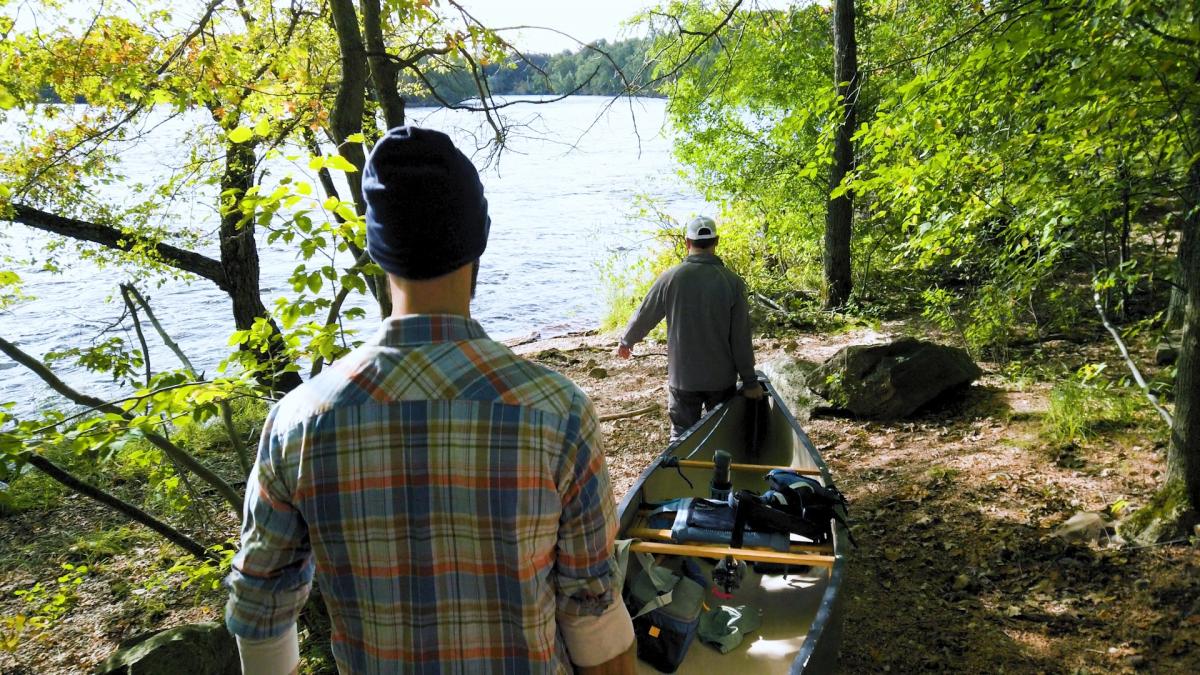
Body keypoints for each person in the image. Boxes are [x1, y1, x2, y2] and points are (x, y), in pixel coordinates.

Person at [225, 126, 635, 674]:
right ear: (478, 239)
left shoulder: (299, 421)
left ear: (376, 250)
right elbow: (592, 616)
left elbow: (260, 610)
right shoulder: (556, 413)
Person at [616, 216, 763, 440]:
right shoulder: (732, 282)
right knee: (721, 437)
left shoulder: (670, 278)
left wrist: (627, 341)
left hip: (683, 378)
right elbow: (740, 339)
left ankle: (679, 471)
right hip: (721, 380)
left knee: (681, 438)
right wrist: (750, 381)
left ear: (687, 243)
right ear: (717, 241)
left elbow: (645, 314)